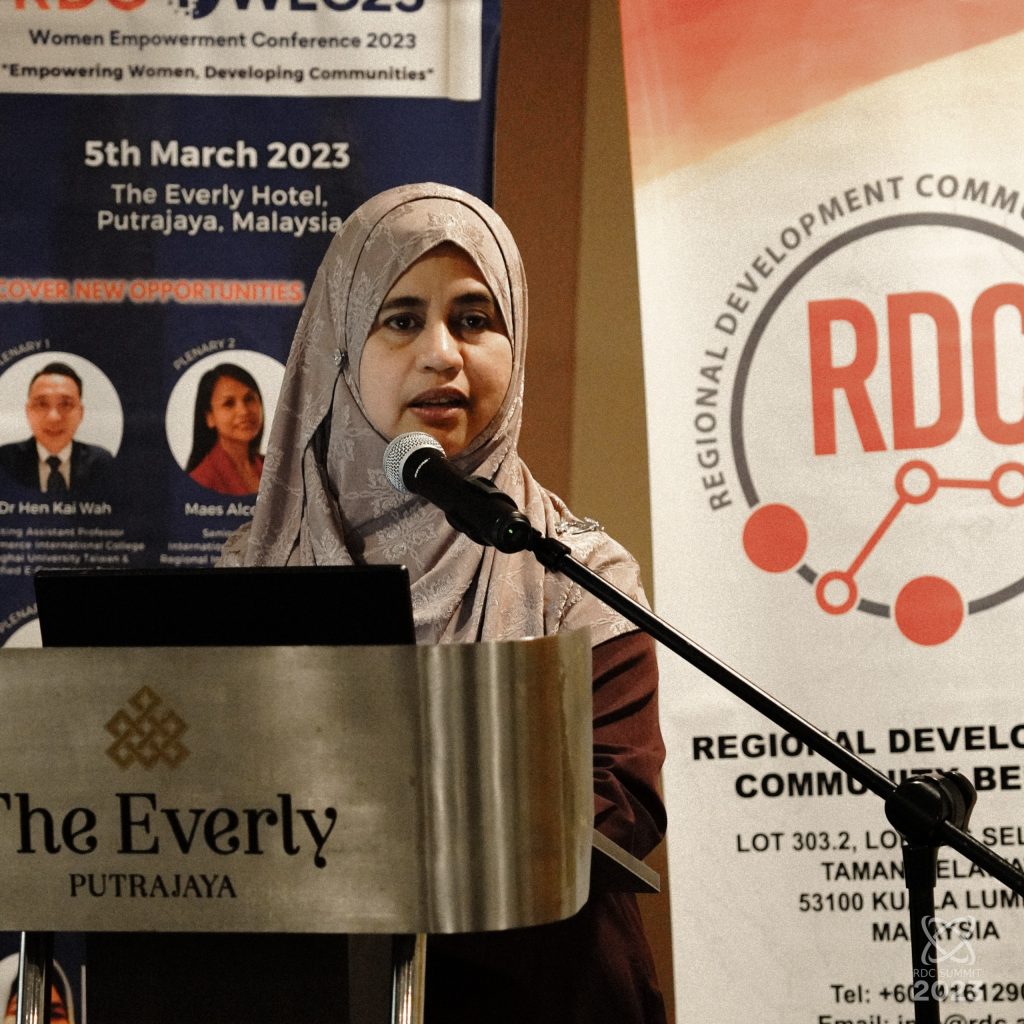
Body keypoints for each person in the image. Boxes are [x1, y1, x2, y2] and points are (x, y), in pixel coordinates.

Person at [220, 182, 667, 1023]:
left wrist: (368, 838)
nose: (441, 354)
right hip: (305, 993)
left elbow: (621, 805)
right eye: (400, 319)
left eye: (473, 319)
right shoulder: (255, 572)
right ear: (340, 347)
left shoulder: (577, 576)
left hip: (536, 997)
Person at [0, 361, 114, 494]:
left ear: (81, 413)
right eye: (42, 404)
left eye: (65, 404)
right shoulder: (5, 461)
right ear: (28, 411)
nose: (53, 418)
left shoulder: (101, 463)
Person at [185, 363, 265, 495]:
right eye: (229, 403)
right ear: (210, 417)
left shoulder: (273, 466)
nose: (244, 411)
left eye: (249, 399)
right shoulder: (202, 480)